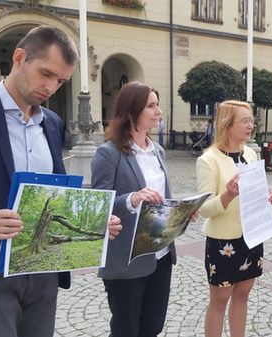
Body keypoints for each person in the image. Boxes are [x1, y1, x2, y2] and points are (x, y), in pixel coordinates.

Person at [0, 25, 121, 337]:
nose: (51, 87)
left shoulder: (52, 123)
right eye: (46, 74)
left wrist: (96, 222)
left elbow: (54, 195)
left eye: (60, 81)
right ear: (19, 58)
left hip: (43, 270)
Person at [91, 81, 176, 337]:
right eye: (151, 105)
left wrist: (180, 212)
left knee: (152, 327)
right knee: (126, 329)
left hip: (160, 254)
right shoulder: (108, 153)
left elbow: (162, 199)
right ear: (131, 111)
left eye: (157, 104)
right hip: (126, 258)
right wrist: (131, 199)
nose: (158, 111)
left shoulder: (157, 151)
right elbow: (97, 205)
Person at [196, 100, 272, 337]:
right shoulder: (208, 159)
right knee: (220, 300)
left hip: (252, 236)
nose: (250, 125)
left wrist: (268, 196)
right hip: (224, 241)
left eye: (251, 120)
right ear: (227, 124)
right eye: (245, 121)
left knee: (243, 294)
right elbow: (204, 209)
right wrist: (229, 194)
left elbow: (254, 193)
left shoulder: (251, 154)